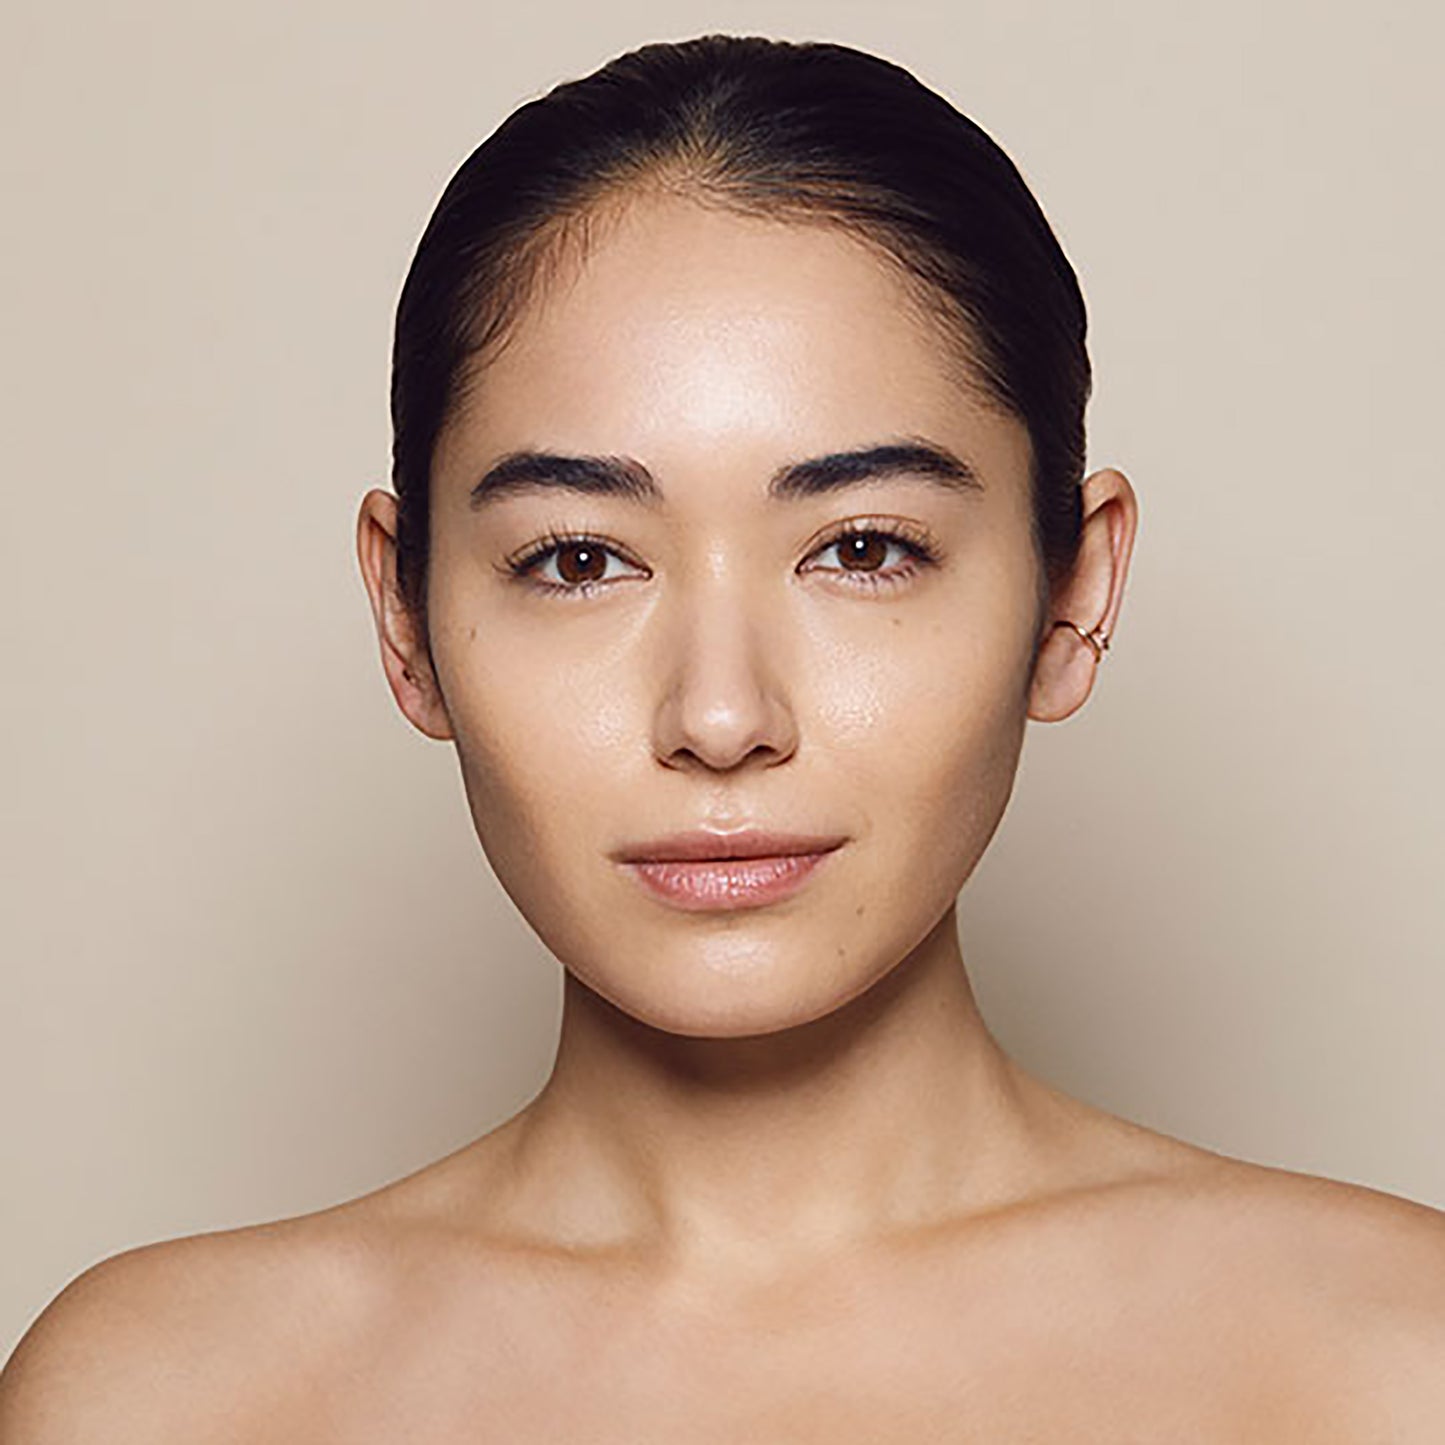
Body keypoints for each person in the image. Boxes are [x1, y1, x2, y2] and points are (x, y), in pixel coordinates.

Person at [3, 32, 1442, 1441]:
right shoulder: (165, 1398)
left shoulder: (1388, 1359)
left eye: (862, 546)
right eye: (578, 560)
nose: (719, 717)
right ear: (406, 618)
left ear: (1071, 595)